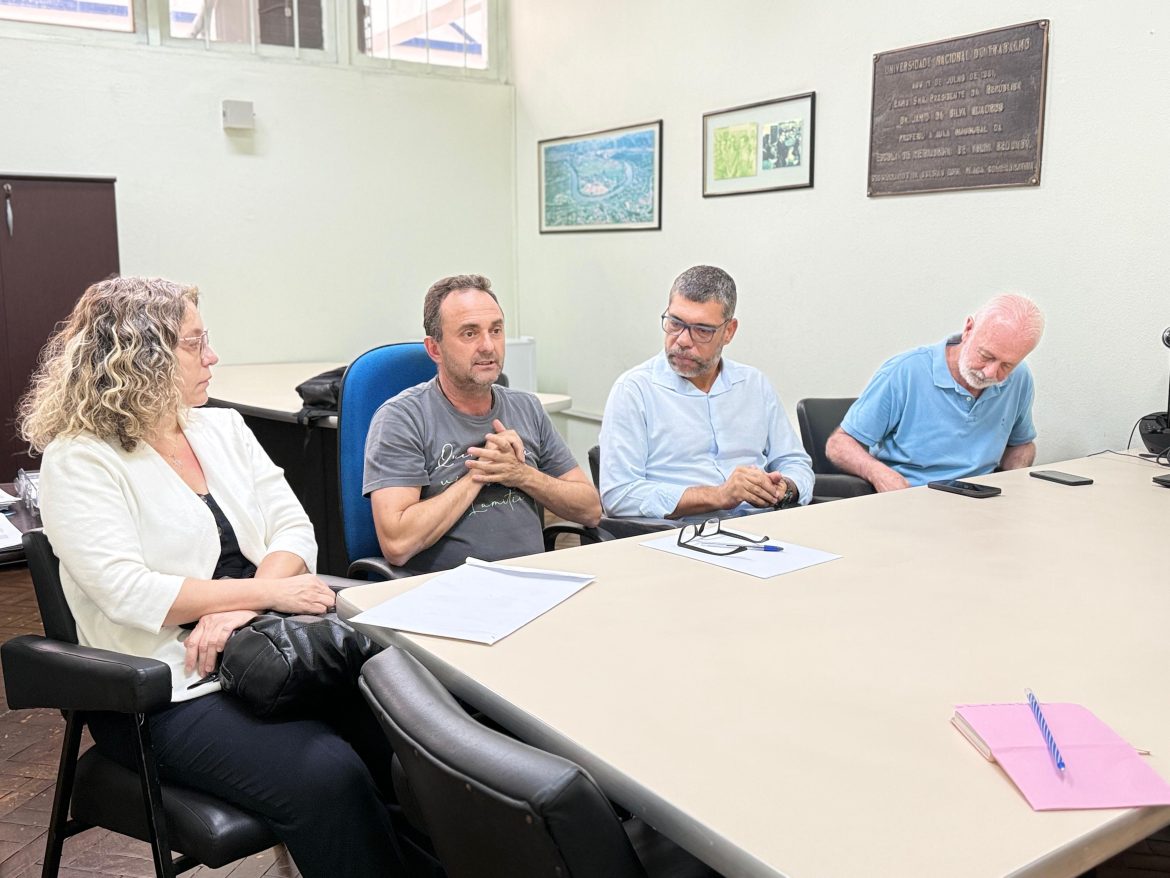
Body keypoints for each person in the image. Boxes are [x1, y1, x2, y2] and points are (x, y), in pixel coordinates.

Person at [20, 277, 404, 878]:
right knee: (329, 775)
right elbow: (129, 591)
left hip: (267, 644)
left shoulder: (219, 428)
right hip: (165, 684)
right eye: (195, 343)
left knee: (409, 735)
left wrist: (240, 609)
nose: (213, 357)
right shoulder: (81, 456)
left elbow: (295, 532)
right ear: (139, 355)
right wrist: (267, 593)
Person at [364, 274, 600, 572]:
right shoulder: (402, 418)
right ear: (435, 349)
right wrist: (479, 475)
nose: (488, 346)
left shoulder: (526, 407)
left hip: (535, 585)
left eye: (496, 330)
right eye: (469, 333)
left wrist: (521, 474)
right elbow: (397, 544)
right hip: (448, 594)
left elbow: (590, 510)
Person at [599, 265, 813, 522]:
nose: (682, 340)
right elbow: (619, 495)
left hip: (765, 527)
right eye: (675, 323)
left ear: (729, 332)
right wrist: (719, 495)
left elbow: (795, 462)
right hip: (681, 537)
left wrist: (786, 488)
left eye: (702, 330)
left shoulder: (754, 384)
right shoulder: (635, 390)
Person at [825, 293, 1044, 491]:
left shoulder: (1020, 378)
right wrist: (879, 473)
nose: (991, 372)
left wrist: (1014, 480)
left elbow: (1021, 444)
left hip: (981, 500)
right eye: (986, 356)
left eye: (1007, 365)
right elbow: (839, 444)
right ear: (968, 329)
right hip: (913, 497)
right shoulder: (906, 371)